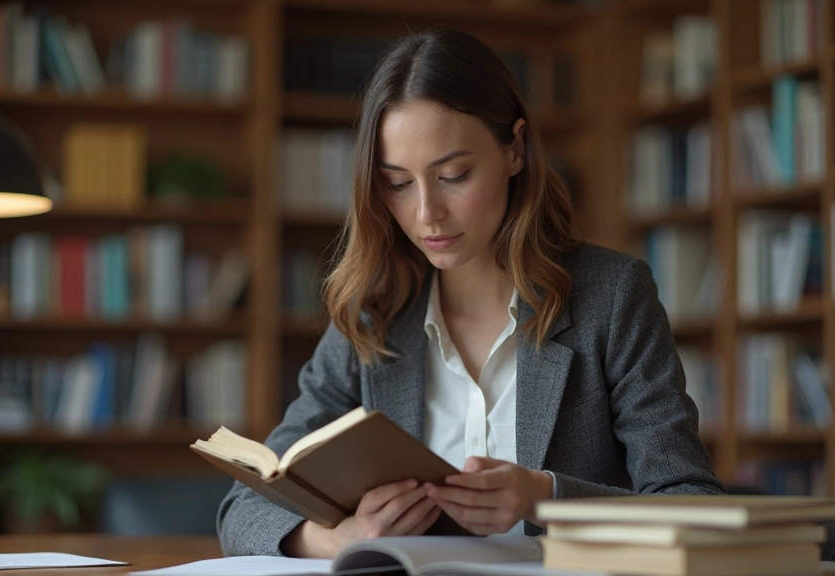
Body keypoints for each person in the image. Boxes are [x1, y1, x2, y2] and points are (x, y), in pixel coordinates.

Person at [218, 26, 723, 559]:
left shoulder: (613, 296)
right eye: (397, 182)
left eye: (454, 175)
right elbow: (242, 507)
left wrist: (542, 497)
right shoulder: (375, 314)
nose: (425, 213)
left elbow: (695, 505)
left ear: (516, 149)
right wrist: (333, 539)